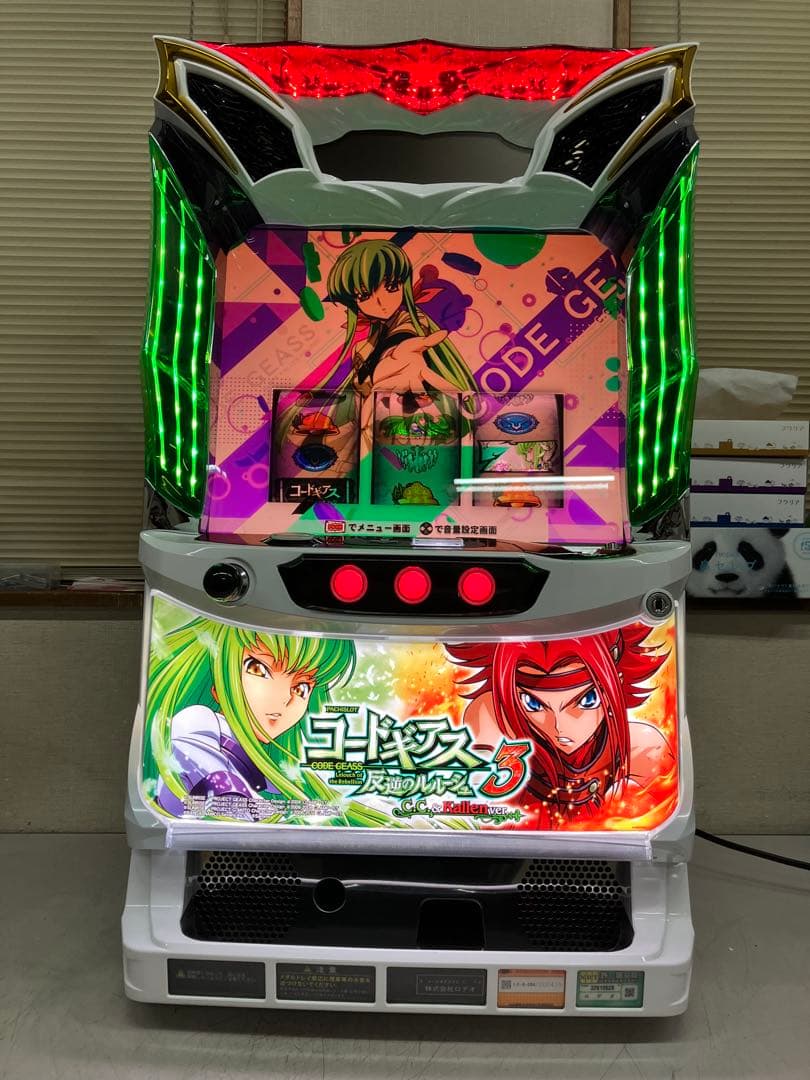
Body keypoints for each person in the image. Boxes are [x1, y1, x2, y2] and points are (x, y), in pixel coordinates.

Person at [143, 606, 384, 826]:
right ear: (218, 681)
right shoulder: (196, 720)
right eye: (258, 669)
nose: (284, 700)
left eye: (301, 688)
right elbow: (220, 787)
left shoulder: (266, 764)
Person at [445, 625, 675, 823]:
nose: (558, 727)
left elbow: (649, 826)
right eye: (533, 704)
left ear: (615, 683)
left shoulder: (641, 747)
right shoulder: (492, 718)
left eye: (587, 700)